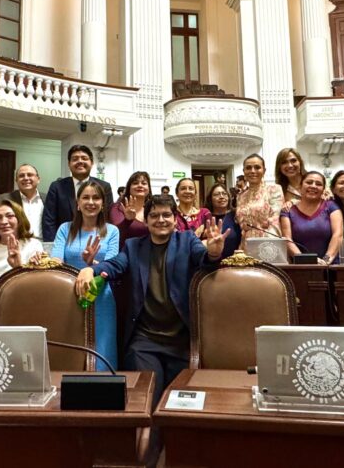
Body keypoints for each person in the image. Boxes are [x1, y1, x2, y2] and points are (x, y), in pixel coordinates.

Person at [75, 194, 230, 406]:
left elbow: (204, 260)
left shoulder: (187, 241)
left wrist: (213, 254)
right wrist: (89, 270)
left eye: (166, 215)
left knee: (179, 404)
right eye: (154, 215)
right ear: (146, 221)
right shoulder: (133, 246)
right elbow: (115, 265)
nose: (161, 220)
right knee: (147, 398)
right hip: (145, 341)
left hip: (182, 341)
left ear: (175, 219)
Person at [51, 182, 119, 372]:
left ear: (103, 204)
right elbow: (56, 260)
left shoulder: (112, 231)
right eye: (86, 198)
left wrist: (92, 263)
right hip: (69, 295)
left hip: (101, 297)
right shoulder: (65, 229)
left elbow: (111, 265)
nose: (91, 202)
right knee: (71, 348)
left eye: (96, 198)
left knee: (103, 351)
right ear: (78, 203)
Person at [42, 145, 114, 242]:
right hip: (63, 242)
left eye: (84, 158)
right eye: (75, 159)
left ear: (92, 163)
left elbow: (107, 216)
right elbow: (49, 220)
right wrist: (52, 245)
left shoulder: (104, 186)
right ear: (69, 164)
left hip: (95, 241)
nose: (80, 161)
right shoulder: (57, 187)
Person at [281, 171, 343, 264]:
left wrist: (326, 261)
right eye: (309, 182)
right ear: (300, 186)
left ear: (323, 189)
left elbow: (338, 235)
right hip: (301, 266)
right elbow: (287, 239)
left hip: (330, 265)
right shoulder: (287, 210)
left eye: (318, 184)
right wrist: (307, 261)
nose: (313, 186)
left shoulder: (331, 206)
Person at [235, 154, 283, 249]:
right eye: (248, 168)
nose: (253, 171)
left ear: (264, 170)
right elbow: (241, 223)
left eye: (257, 167)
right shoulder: (241, 196)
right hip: (245, 245)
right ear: (244, 171)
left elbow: (275, 221)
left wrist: (265, 247)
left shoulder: (273, 190)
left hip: (268, 244)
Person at [0, 163, 44, 240]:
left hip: (43, 244)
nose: (26, 178)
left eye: (30, 175)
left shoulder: (47, 198)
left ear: (38, 179)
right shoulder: (5, 199)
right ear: (16, 180)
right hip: (16, 242)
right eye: (21, 176)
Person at [109, 171, 152, 248]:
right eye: (135, 183)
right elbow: (115, 232)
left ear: (149, 189)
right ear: (129, 188)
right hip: (124, 252)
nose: (140, 185)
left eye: (144, 183)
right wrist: (127, 220)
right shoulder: (118, 207)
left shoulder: (152, 209)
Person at [204, 181, 241, 259]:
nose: (221, 197)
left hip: (234, 262)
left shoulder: (236, 215)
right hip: (211, 262)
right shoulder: (206, 217)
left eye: (224, 194)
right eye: (217, 194)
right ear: (210, 198)